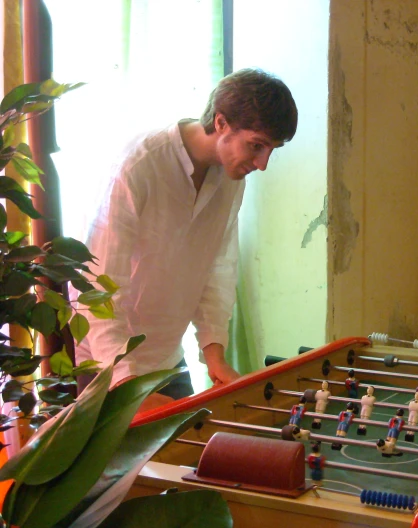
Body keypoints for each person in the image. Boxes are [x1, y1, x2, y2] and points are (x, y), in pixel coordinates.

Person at [76, 68, 298, 411]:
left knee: (192, 460)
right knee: (126, 467)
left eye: (271, 149)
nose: (263, 163)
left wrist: (215, 354)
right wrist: (127, 385)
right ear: (221, 123)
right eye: (257, 145)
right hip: (105, 365)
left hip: (166, 359)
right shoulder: (139, 165)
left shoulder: (231, 179)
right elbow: (98, 288)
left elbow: (216, 269)